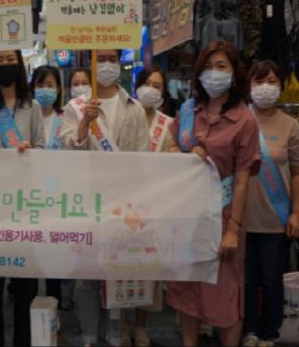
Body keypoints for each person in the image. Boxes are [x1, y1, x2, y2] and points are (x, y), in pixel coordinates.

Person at [167, 40, 261, 347]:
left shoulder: (244, 120)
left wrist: (233, 229)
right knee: (188, 290)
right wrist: (184, 155)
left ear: (234, 73)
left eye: (221, 66)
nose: (213, 73)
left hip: (224, 218)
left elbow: (243, 180)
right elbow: (171, 148)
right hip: (188, 216)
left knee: (225, 295)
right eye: (207, 67)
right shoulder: (188, 110)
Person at [60, 49, 150, 346]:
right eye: (102, 59)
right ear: (91, 61)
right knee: (86, 271)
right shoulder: (75, 107)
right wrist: (84, 124)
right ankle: (87, 331)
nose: (108, 64)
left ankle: (114, 329)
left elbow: (143, 159)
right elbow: (66, 150)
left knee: (118, 268)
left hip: (123, 202)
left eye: (113, 58)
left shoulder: (134, 108)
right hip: (86, 201)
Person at [0, 49, 45, 347]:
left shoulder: (33, 107)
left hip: (24, 205)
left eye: (10, 60)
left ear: (20, 64)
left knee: (25, 284)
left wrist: (31, 150)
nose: (5, 65)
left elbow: (43, 149)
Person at [115, 66, 173, 347]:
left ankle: (140, 325)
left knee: (147, 268)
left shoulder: (169, 125)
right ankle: (123, 324)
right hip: (125, 204)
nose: (151, 89)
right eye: (147, 83)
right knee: (122, 265)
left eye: (157, 85)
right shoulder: (125, 116)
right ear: (137, 86)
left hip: (153, 206)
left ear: (164, 92)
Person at [242, 60, 299, 347]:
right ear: (249, 85)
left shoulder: (291, 125)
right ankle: (249, 330)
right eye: (259, 81)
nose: (265, 87)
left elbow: (297, 172)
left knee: (272, 281)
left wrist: (296, 213)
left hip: (276, 218)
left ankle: (270, 333)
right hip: (241, 217)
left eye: (272, 81)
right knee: (247, 281)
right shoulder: (239, 119)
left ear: (281, 85)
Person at [30, 65, 65, 306]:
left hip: (57, 192)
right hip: (30, 192)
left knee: (54, 247)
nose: (45, 90)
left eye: (50, 85)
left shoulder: (64, 119)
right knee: (31, 244)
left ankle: (55, 294)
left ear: (58, 89)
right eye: (40, 85)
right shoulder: (26, 116)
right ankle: (26, 292)